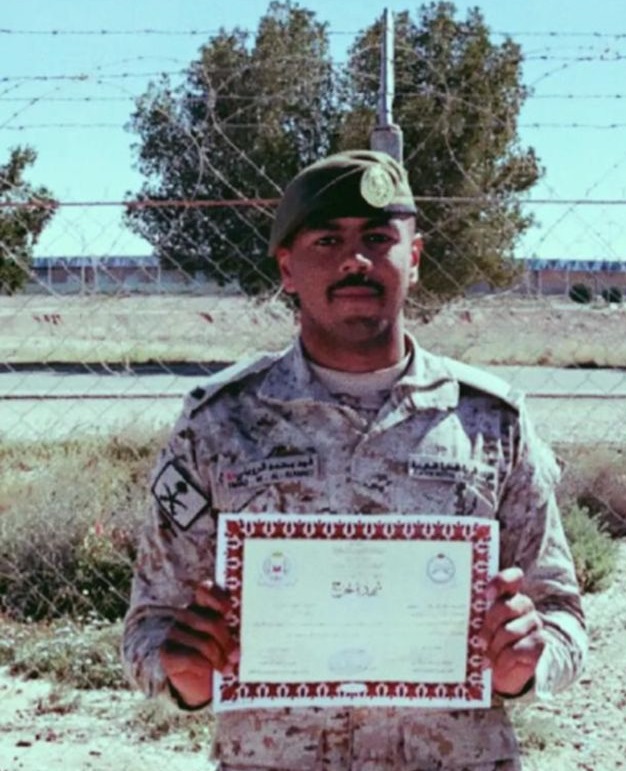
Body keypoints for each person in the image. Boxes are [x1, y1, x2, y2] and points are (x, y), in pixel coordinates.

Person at [122, 149, 587, 770]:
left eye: (377, 238)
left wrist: (527, 663)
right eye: (326, 240)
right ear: (286, 268)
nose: (355, 260)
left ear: (413, 258)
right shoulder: (220, 424)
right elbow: (149, 624)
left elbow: (561, 614)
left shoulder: (490, 423)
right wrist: (183, 674)